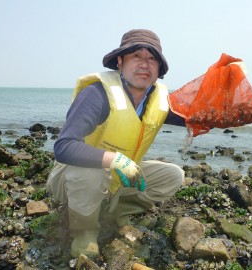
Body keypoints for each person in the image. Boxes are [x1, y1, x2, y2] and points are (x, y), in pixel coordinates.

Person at [46, 29, 186, 259]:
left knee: (173, 175)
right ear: (120, 62)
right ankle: (84, 231)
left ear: (159, 69)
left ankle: (117, 212)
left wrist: (229, 104)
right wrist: (115, 160)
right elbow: (64, 146)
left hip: (116, 178)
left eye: (152, 59)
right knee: (92, 169)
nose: (145, 64)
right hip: (72, 181)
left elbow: (198, 117)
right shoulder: (97, 94)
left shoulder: (158, 99)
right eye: (137, 56)